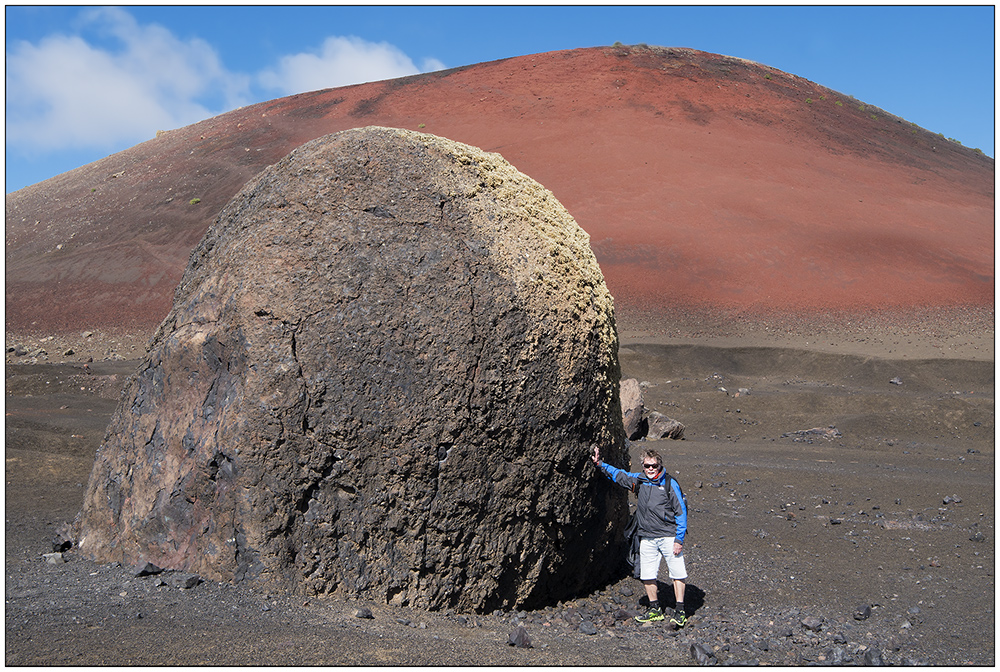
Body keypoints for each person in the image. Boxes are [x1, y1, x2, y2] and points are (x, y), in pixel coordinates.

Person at [592, 444, 688, 627]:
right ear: (643, 466)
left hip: (668, 536)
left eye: (654, 466)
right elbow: (620, 475)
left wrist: (679, 539)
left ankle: (680, 610)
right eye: (647, 466)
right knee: (647, 574)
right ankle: (654, 609)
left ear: (660, 466)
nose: (650, 469)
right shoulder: (640, 481)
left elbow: (681, 512)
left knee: (677, 573)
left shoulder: (669, 483)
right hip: (646, 536)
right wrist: (600, 464)